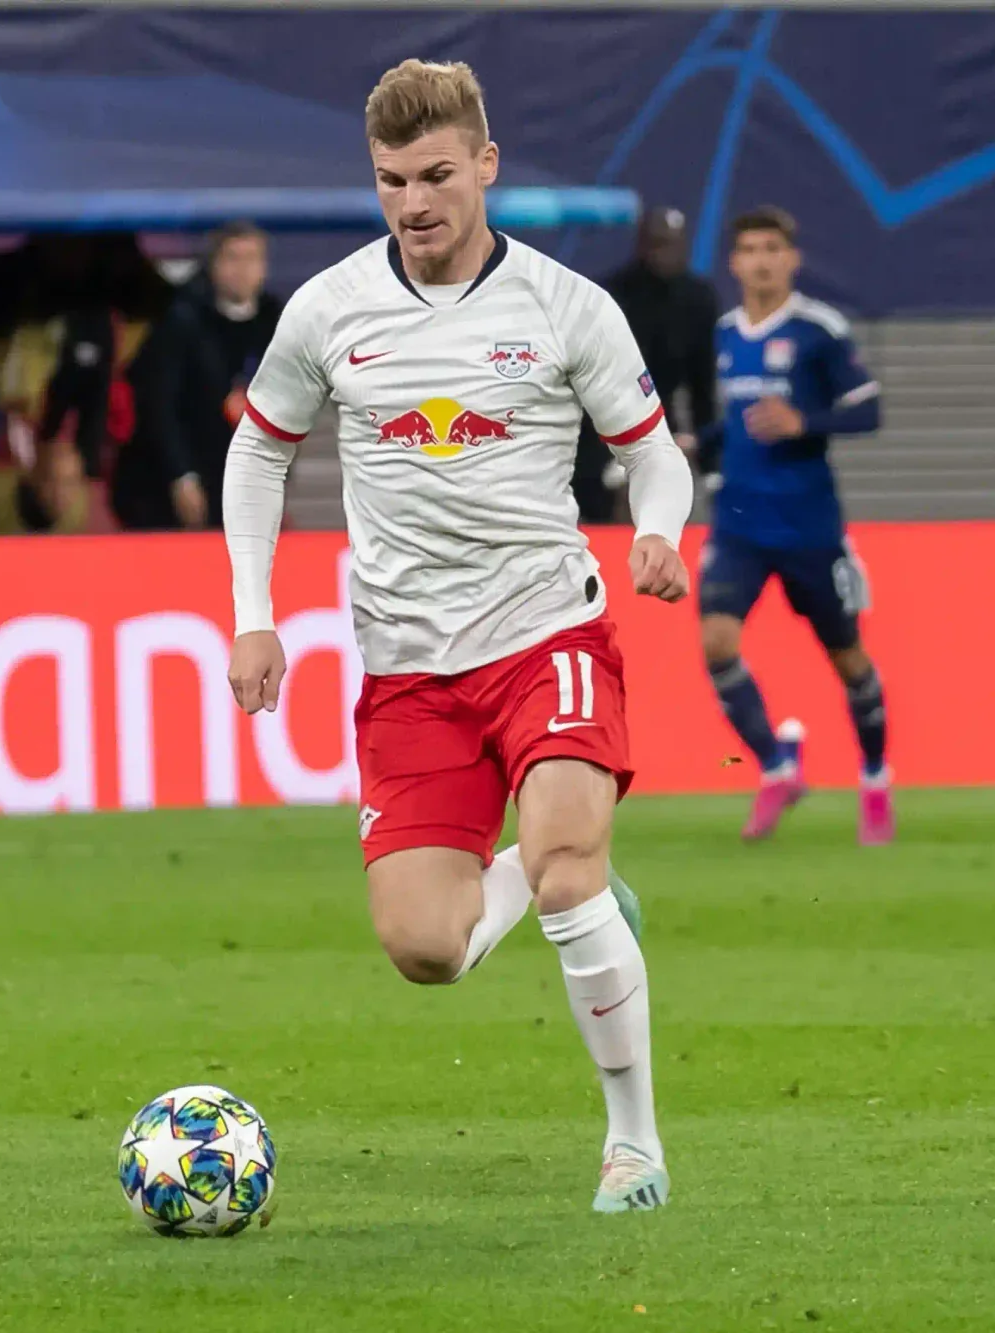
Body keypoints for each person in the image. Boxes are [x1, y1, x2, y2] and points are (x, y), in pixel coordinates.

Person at [223, 60, 692, 1214]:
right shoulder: (328, 310)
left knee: (571, 861)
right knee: (425, 947)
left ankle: (632, 1146)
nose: (413, 203)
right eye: (390, 181)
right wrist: (253, 613)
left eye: (436, 175)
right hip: (408, 670)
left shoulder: (565, 305)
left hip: (546, 632)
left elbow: (650, 445)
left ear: (485, 166)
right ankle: (544, 881)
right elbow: (258, 450)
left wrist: (658, 527)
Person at [699, 207, 892, 845]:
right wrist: (692, 441)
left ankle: (874, 782)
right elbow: (739, 422)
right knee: (717, 643)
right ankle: (779, 769)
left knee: (849, 659)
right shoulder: (725, 333)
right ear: (733, 262)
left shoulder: (818, 331)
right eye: (748, 249)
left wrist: (805, 422)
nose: (759, 260)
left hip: (809, 527)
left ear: (791, 259)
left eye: (771, 249)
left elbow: (869, 414)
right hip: (739, 525)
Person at [130, 221, 282, 530]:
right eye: (232, 258)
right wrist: (182, 475)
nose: (243, 269)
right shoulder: (183, 321)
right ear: (213, 265)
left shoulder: (276, 322)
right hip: (193, 472)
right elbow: (161, 405)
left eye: (251, 259)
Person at [577, 206, 717, 521]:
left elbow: (702, 384)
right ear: (641, 245)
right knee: (600, 512)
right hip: (599, 421)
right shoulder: (609, 295)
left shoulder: (698, 299)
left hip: (661, 420)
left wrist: (710, 463)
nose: (664, 254)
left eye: (672, 245)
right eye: (657, 244)